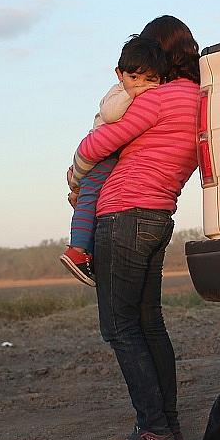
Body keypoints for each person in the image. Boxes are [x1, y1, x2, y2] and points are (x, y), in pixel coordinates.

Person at [71, 15, 201, 440]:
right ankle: (167, 425)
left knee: (119, 326)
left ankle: (154, 430)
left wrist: (75, 173)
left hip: (123, 213)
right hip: (159, 214)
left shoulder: (156, 99)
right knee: (149, 323)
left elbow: (95, 146)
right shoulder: (198, 99)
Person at [60, 37, 168, 286]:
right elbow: (110, 115)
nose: (141, 85)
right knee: (89, 198)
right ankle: (77, 250)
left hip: (108, 157)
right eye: (134, 77)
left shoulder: (136, 92)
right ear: (119, 74)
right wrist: (131, 93)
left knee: (95, 200)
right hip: (102, 157)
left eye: (150, 80)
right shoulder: (118, 93)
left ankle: (89, 254)